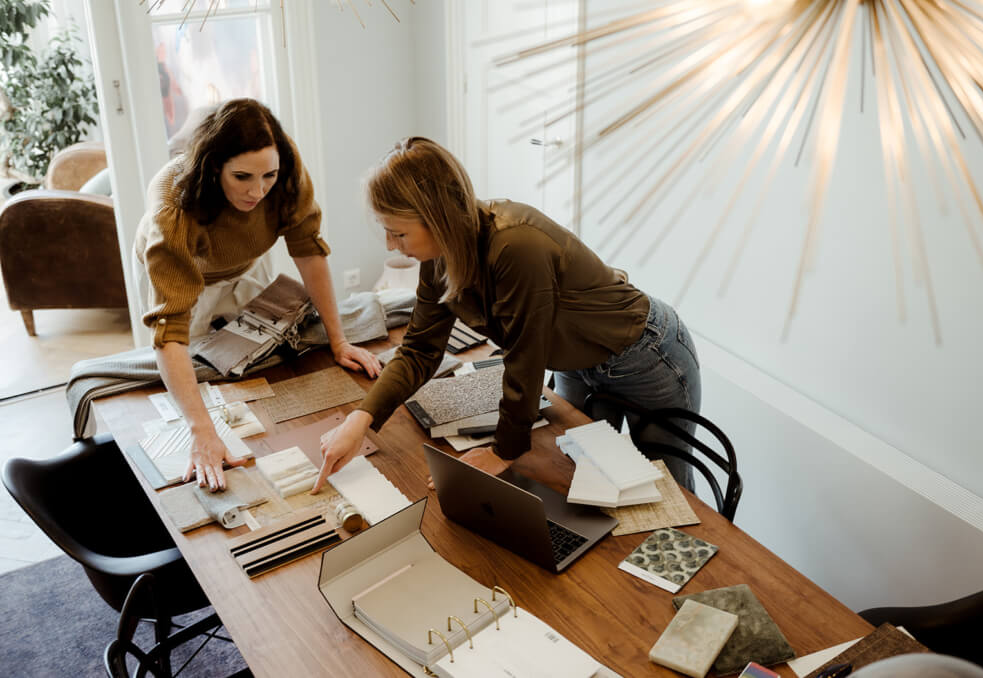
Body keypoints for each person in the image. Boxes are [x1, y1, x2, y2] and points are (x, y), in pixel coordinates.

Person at [311, 136, 700, 493]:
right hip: (575, 359)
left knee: (667, 491)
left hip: (645, 353)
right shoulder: (438, 258)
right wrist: (360, 420)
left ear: (440, 217)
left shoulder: (515, 244)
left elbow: (525, 355)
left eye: (398, 233)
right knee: (586, 481)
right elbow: (418, 350)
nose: (390, 245)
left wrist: (502, 452)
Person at [135, 98, 381, 491]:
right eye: (243, 177)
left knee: (253, 362)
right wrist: (201, 430)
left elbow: (307, 251)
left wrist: (339, 341)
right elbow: (170, 330)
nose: (258, 191)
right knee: (199, 371)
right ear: (214, 166)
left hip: (247, 262)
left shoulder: (283, 169)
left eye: (268, 176)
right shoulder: (173, 206)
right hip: (188, 272)